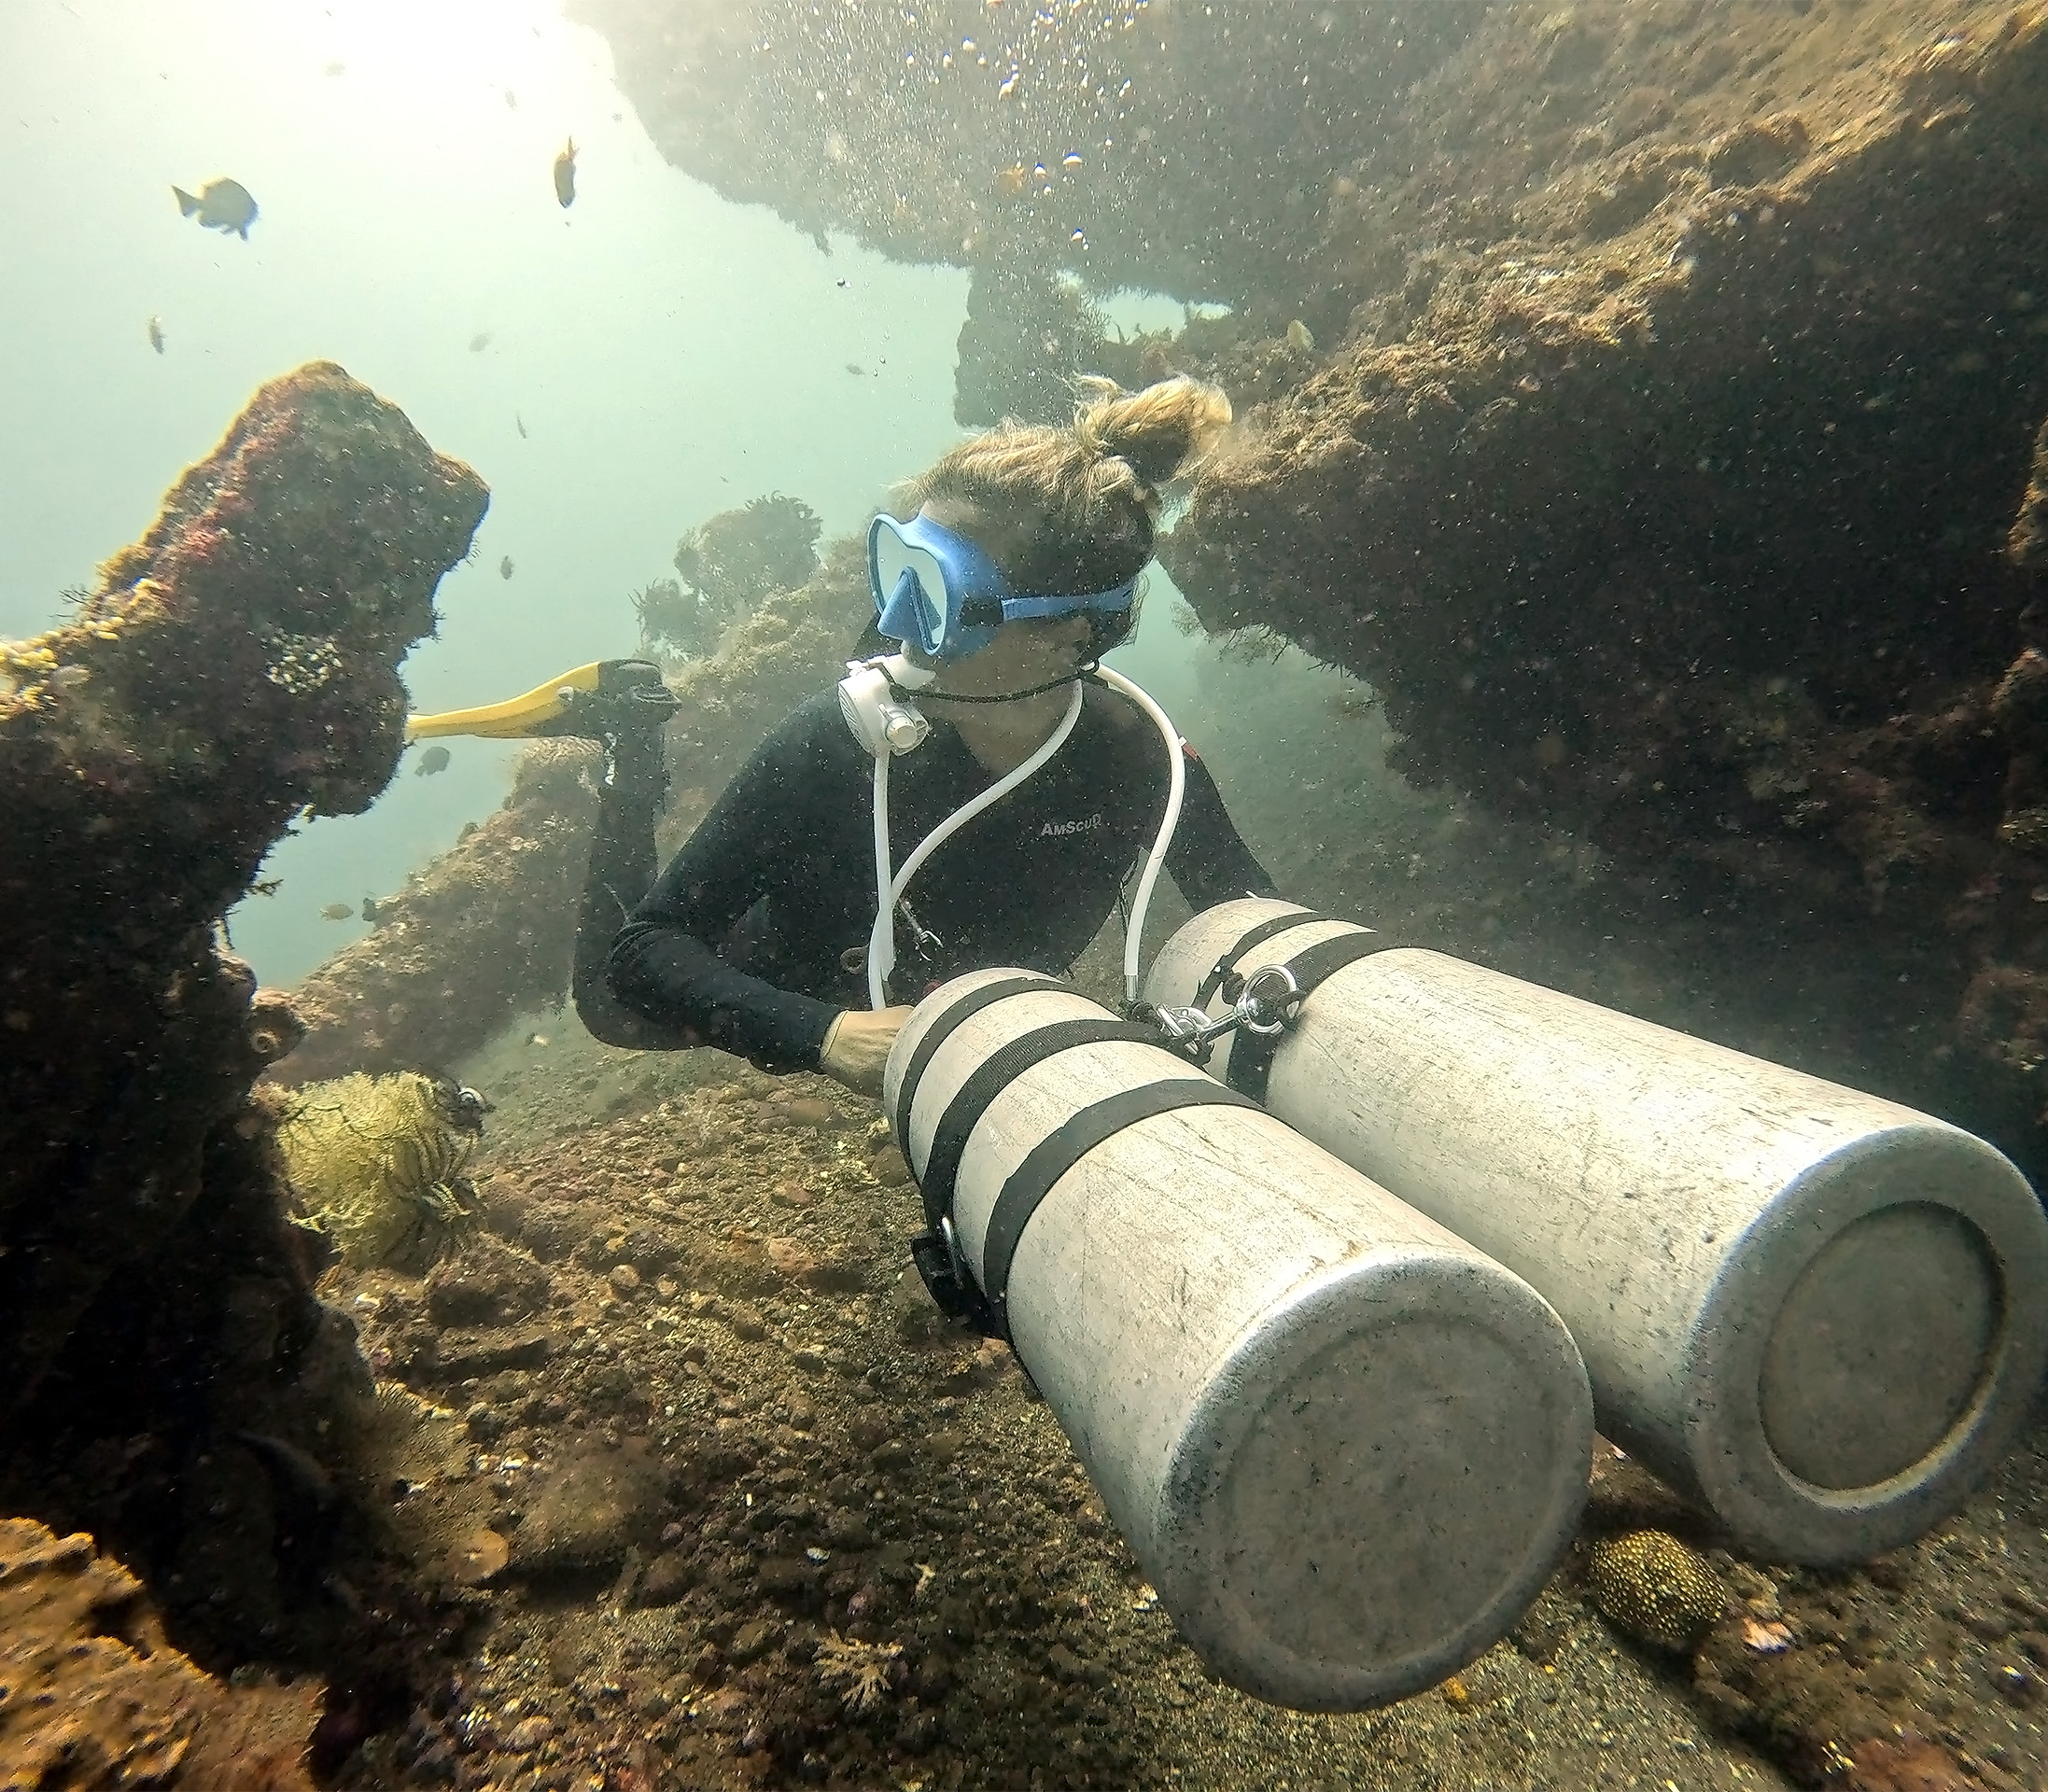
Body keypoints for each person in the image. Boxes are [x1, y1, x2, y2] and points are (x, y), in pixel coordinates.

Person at [411, 376, 1275, 1097]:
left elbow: (1255, 926)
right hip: (794, 974)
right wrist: (823, 1034)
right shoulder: (837, 742)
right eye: (897, 567)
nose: (892, 622)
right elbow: (645, 953)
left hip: (960, 1007)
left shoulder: (1142, 766)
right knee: (610, 1012)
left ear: (1063, 630)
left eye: (931, 591)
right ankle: (631, 758)